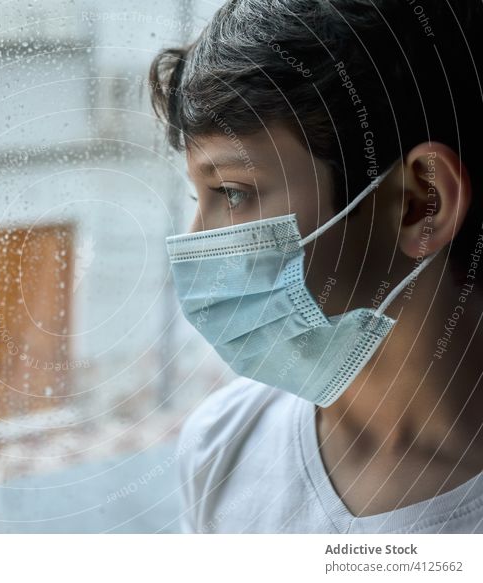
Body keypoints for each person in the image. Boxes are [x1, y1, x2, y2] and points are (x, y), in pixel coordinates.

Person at [149, 0, 483, 533]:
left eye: (232, 192)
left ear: (421, 204)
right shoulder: (222, 445)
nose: (196, 243)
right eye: (198, 195)